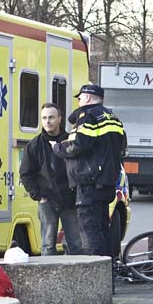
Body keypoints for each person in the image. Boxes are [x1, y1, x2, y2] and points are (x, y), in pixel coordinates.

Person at [53, 84, 126, 257]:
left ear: (86, 98)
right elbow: (121, 148)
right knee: (102, 228)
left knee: (89, 229)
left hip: (89, 181)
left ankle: (95, 270)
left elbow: (79, 145)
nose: (78, 102)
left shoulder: (88, 117)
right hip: (106, 181)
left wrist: (58, 148)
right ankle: (108, 267)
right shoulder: (113, 117)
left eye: (79, 98)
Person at [19, 102, 83, 256]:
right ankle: (48, 278)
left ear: (60, 119)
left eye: (51, 117)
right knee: (47, 245)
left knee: (75, 244)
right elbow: (26, 174)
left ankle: (76, 277)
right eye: (44, 118)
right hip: (47, 199)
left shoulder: (71, 142)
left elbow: (80, 168)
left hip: (70, 198)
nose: (47, 121)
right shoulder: (34, 145)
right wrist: (39, 196)